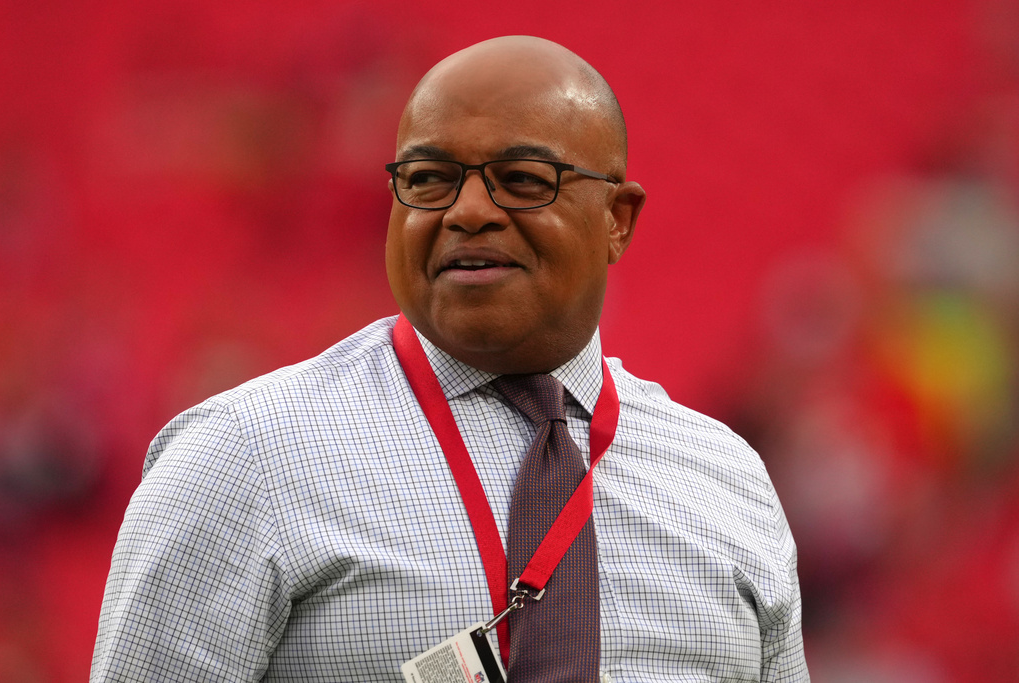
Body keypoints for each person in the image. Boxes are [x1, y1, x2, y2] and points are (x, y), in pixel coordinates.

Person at [91, 36, 808, 682]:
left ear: (616, 220)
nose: (467, 210)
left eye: (523, 179)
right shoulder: (244, 456)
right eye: (429, 179)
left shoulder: (728, 485)